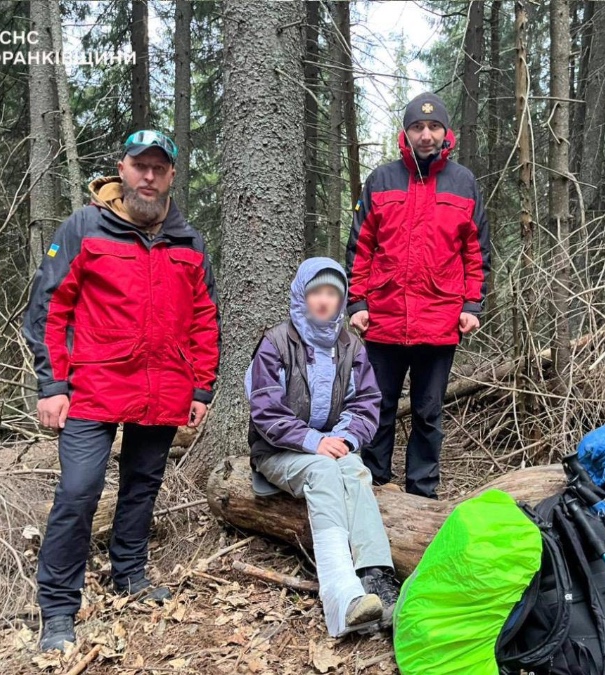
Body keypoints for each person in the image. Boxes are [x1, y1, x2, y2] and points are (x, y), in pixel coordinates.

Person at [22, 130, 220, 652]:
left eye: (159, 168)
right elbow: (49, 308)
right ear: (122, 169)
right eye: (140, 166)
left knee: (142, 483)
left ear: (172, 175)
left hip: (163, 388)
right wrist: (52, 384)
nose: (148, 177)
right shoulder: (84, 227)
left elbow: (204, 317)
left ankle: (128, 573)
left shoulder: (189, 240)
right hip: (91, 386)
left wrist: (201, 386)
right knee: (79, 490)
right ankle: (59, 609)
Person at [345, 92, 491, 498]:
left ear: (447, 133)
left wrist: (471, 305)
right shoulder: (381, 180)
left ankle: (421, 494)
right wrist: (357, 303)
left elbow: (476, 251)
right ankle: (373, 484)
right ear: (404, 133)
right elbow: (360, 246)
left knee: (429, 414)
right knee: (378, 407)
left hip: (440, 322)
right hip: (385, 320)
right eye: (417, 127)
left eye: (433, 127)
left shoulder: (463, 182)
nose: (425, 135)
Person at [245, 258, 400, 637]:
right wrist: (313, 441)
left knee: (354, 469)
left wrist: (345, 439)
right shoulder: (275, 343)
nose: (325, 301)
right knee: (324, 470)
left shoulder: (350, 345)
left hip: (332, 445)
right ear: (302, 295)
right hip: (277, 450)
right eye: (317, 292)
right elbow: (265, 410)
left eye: (333, 293)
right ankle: (341, 594)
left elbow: (365, 403)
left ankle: (376, 577)